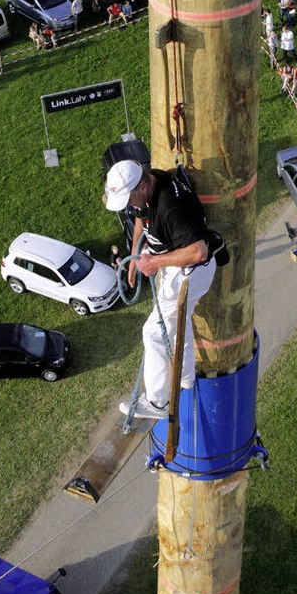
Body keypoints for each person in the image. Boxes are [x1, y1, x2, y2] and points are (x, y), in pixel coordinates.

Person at [105, 161, 217, 419]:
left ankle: (157, 404)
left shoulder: (170, 207)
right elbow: (139, 219)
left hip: (189, 272)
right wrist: (135, 255)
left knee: (154, 332)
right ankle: (185, 379)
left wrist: (155, 261)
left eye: (129, 199)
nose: (129, 206)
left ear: (143, 186)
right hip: (174, 264)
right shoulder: (147, 187)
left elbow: (199, 251)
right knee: (176, 322)